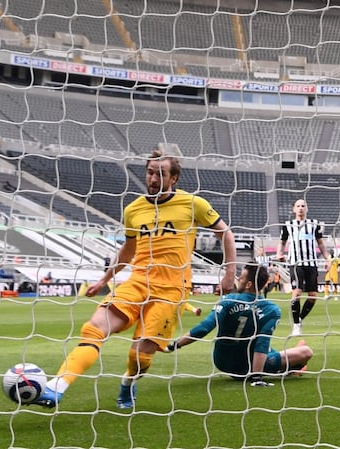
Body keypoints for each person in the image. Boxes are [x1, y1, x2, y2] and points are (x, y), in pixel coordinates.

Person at [34, 146, 238, 409]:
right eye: (150, 173)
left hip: (172, 289)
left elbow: (226, 233)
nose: (153, 179)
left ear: (174, 178)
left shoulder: (193, 204)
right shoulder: (133, 210)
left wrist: (229, 273)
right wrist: (103, 279)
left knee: (139, 357)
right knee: (94, 328)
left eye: (160, 174)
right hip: (138, 281)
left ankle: (128, 382)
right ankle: (56, 387)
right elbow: (128, 249)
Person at [163, 262, 313, 385]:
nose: (238, 279)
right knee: (306, 351)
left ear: (248, 284)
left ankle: (291, 364)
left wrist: (174, 345)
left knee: (269, 348)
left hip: (222, 362)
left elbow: (204, 328)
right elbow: (262, 342)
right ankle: (292, 365)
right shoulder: (272, 309)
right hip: (249, 367)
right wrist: (257, 378)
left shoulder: (227, 300)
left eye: (240, 278)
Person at [275, 199, 329, 336]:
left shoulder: (314, 225)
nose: (300, 208)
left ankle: (299, 319)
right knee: (297, 293)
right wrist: (279, 254)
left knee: (313, 296)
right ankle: (296, 326)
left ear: (307, 208)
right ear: (294, 209)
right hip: (295, 263)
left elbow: (321, 244)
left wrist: (328, 258)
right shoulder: (288, 225)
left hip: (311, 263)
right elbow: (282, 243)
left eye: (303, 206)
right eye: (298, 206)